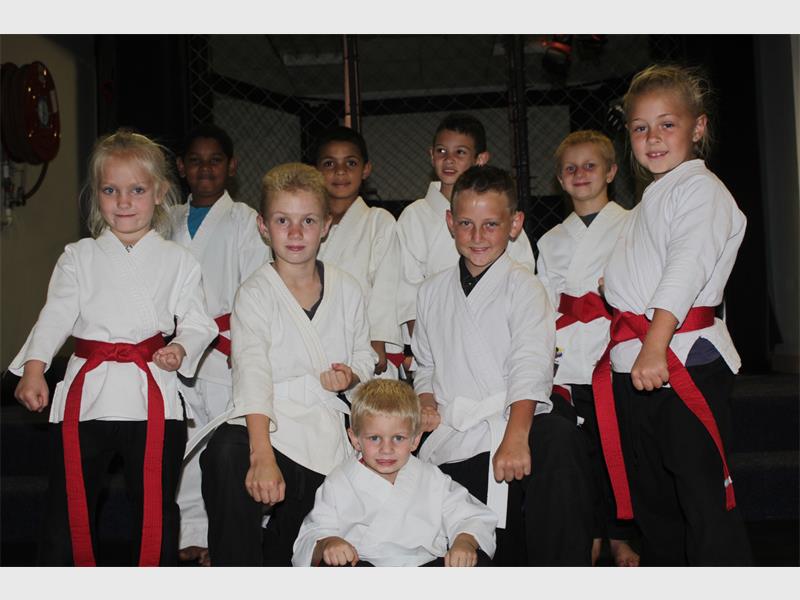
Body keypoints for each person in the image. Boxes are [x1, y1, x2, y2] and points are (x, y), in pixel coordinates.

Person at [10, 129, 218, 566]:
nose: (124, 201)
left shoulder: (179, 261)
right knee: (68, 503)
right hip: (88, 392)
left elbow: (198, 322)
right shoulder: (78, 256)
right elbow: (55, 314)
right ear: (96, 194)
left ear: (159, 193)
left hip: (152, 392)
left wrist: (181, 348)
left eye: (137, 190)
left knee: (155, 507)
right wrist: (34, 367)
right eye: (111, 190)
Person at [594, 64, 752, 565]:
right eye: (640, 127)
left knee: (702, 503)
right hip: (641, 363)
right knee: (657, 507)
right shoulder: (650, 199)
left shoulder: (700, 189)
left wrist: (655, 343)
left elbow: (685, 269)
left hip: (679, 358)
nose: (653, 138)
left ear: (698, 127)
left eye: (667, 124)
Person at [412, 164, 594, 566]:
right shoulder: (430, 292)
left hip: (513, 419)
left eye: (491, 224)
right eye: (466, 224)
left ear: (514, 225)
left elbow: (531, 365)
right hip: (455, 430)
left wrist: (515, 436)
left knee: (559, 441)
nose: (477, 237)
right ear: (450, 223)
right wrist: (425, 401)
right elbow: (424, 363)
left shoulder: (525, 286)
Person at [199, 162, 376, 566]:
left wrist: (351, 375)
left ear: (326, 226)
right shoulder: (254, 293)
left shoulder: (347, 288)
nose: (295, 233)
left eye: (307, 221)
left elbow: (364, 355)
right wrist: (261, 455)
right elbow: (252, 373)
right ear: (263, 226)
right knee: (226, 453)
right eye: (283, 220)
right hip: (271, 426)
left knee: (295, 550)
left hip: (326, 433)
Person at [536, 130, 639, 566]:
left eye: (590, 166)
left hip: (615, 350)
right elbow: (544, 303)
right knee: (581, 451)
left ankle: (621, 533)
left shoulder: (633, 224)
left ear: (611, 172)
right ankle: (592, 531)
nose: (580, 174)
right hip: (569, 357)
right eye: (571, 168)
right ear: (560, 179)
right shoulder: (550, 240)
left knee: (620, 447)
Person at [169, 123, 271, 566]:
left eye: (215, 160)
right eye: (195, 160)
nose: (205, 168)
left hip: (225, 346)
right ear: (181, 167)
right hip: (173, 348)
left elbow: (256, 286)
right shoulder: (165, 220)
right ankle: (191, 531)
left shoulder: (246, 220)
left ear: (232, 166)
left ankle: (228, 535)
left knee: (224, 445)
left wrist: (245, 346)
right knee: (184, 442)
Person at [292, 379, 497, 567]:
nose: (386, 449)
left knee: (475, 563)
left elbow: (470, 516)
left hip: (425, 565)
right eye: (374, 438)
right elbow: (315, 531)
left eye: (398, 438)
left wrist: (464, 542)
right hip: (364, 566)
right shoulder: (339, 482)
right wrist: (329, 543)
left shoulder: (431, 477)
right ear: (355, 439)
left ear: (415, 440)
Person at [395, 113, 536, 340]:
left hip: (496, 327)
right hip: (435, 328)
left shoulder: (498, 211)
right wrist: (417, 344)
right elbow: (408, 288)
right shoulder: (415, 216)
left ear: (480, 158)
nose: (449, 160)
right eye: (441, 151)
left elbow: (523, 272)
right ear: (431, 155)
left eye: (460, 152)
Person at [313, 125, 403, 378]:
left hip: (363, 337)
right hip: (314, 336)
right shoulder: (307, 222)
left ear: (366, 169)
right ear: (316, 171)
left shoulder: (378, 221)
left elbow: (387, 285)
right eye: (329, 164)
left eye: (350, 163)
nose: (340, 171)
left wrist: (378, 338)